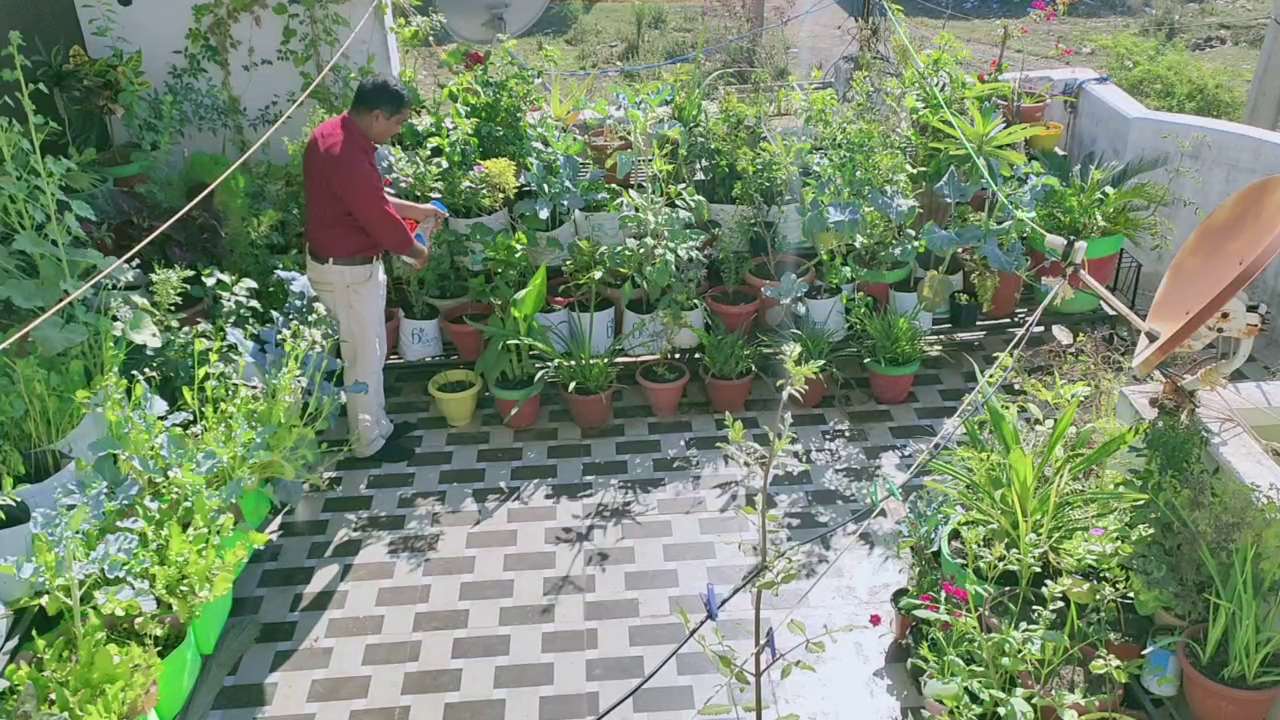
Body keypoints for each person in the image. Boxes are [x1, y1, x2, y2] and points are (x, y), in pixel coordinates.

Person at [304, 76, 446, 463]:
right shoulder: (346, 155)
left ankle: (377, 425)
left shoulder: (336, 134)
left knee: (369, 350)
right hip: (348, 274)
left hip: (346, 268)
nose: (398, 132)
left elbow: (369, 196)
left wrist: (416, 211)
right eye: (398, 123)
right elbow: (380, 222)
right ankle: (368, 443)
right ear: (379, 115)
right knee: (363, 357)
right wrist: (418, 252)